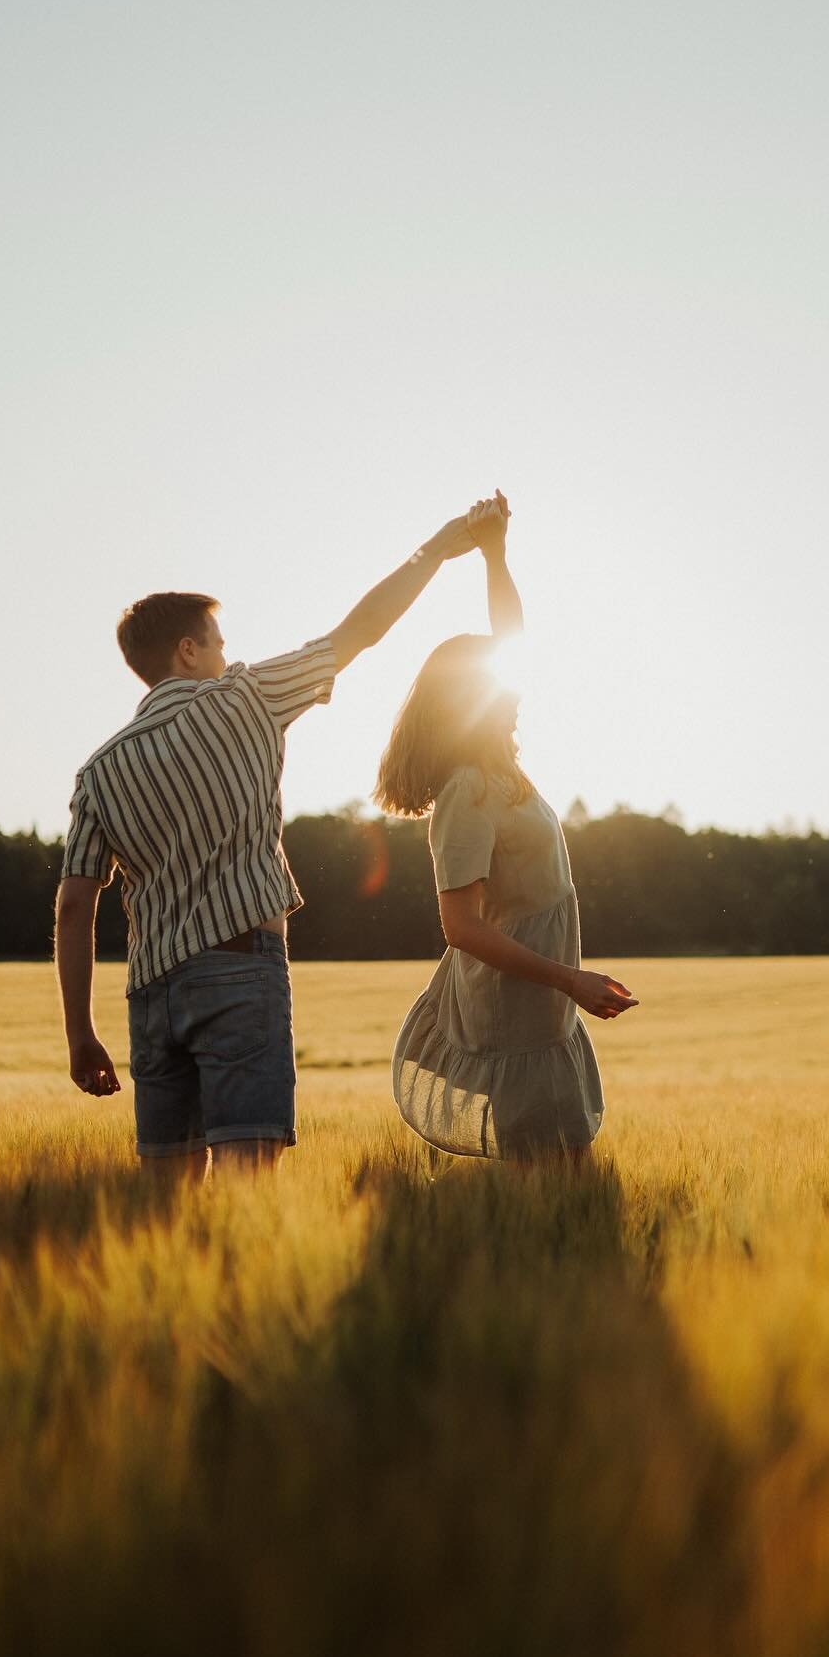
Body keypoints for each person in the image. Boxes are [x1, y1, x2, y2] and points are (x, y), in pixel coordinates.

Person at [54, 502, 493, 1180]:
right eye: (219, 642)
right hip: (238, 968)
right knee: (245, 1179)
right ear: (188, 650)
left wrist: (81, 1035)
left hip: (150, 992)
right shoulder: (245, 699)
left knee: (162, 1197)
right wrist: (435, 549)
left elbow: (74, 906)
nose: (229, 654)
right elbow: (361, 631)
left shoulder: (99, 771)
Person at [375, 494, 638, 1164]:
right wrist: (569, 980)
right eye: (501, 688)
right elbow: (460, 927)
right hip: (518, 999)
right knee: (544, 1162)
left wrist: (495, 553)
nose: (517, 692)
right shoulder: (467, 790)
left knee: (556, 1162)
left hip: (542, 997)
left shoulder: (500, 773)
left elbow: (511, 643)